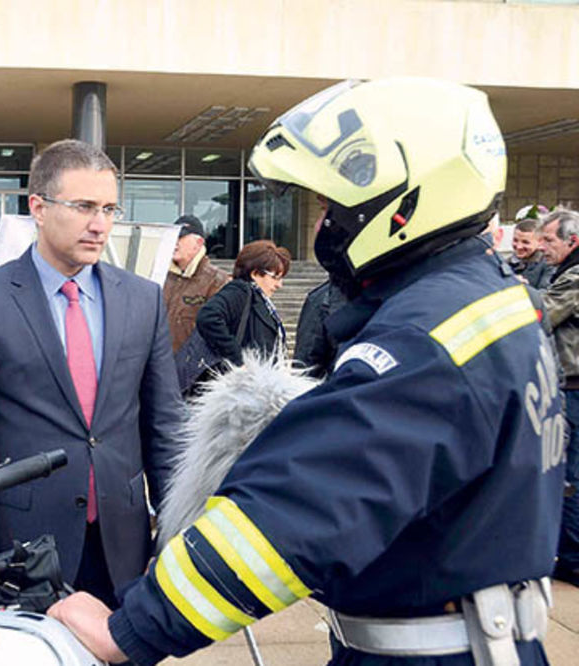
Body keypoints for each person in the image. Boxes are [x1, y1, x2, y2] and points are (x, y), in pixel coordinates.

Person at [49, 78, 563, 666]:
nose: (322, 227)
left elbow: (288, 518)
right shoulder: (481, 300)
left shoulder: (423, 343)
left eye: (330, 208)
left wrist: (132, 628)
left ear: (404, 207)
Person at [0, 139, 183, 607]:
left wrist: (173, 539)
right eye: (84, 206)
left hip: (123, 550)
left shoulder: (143, 300)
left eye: (109, 209)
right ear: (39, 208)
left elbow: (165, 430)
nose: (100, 224)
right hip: (20, 551)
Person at [536, 208, 579, 585]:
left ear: (572, 241)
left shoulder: (576, 276)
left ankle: (573, 557)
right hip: (567, 384)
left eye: (549, 239)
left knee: (572, 476)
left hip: (574, 388)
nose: (541, 246)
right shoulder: (565, 272)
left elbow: (544, 314)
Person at [195, 239, 289, 367]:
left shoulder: (259, 298)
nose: (279, 285)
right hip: (242, 381)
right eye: (275, 277)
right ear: (255, 273)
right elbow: (208, 316)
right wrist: (238, 358)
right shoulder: (239, 292)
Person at [163, 215, 229, 352]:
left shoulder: (218, 281)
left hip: (194, 369)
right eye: (173, 236)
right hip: (159, 366)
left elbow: (220, 333)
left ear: (198, 243)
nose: (175, 242)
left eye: (180, 237)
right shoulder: (159, 276)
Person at [510, 214, 553, 289]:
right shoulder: (506, 263)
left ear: (540, 242)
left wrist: (522, 287)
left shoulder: (549, 264)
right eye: (515, 240)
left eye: (525, 242)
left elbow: (546, 295)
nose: (519, 246)